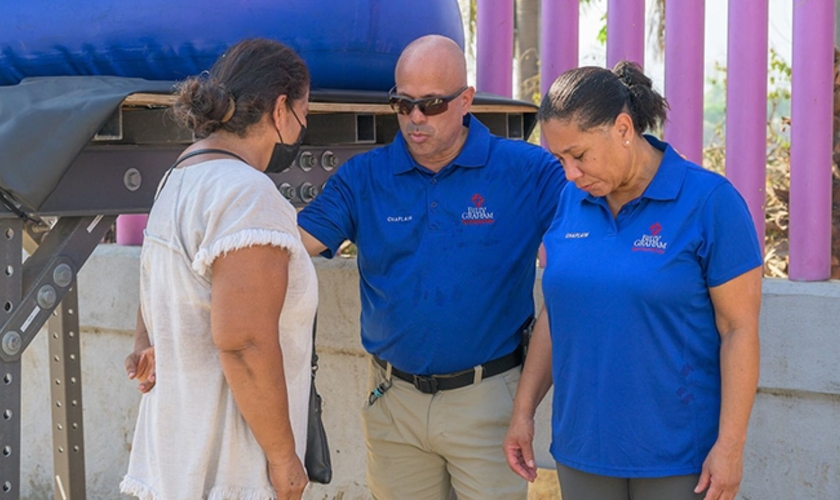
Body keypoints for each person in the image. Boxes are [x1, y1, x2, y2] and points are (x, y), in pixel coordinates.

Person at [297, 35, 567, 500]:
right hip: (392, 401)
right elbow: (286, 246)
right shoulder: (365, 177)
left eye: (431, 104)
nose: (416, 118)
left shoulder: (528, 171)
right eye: (402, 104)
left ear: (466, 101)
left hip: (488, 400)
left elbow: (601, 219)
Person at [503, 61, 763, 500]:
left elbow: (739, 329)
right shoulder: (572, 200)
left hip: (680, 460)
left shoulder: (710, 203)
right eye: (559, 158)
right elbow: (558, 311)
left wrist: (731, 446)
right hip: (582, 451)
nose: (569, 173)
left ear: (623, 128)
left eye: (580, 155)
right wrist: (523, 411)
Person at [120, 38, 316, 500]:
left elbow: (159, 277)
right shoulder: (247, 194)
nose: (303, 128)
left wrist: (144, 340)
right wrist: (284, 459)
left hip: (178, 463)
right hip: (232, 471)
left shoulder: (180, 178)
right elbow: (244, 341)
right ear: (280, 109)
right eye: (305, 115)